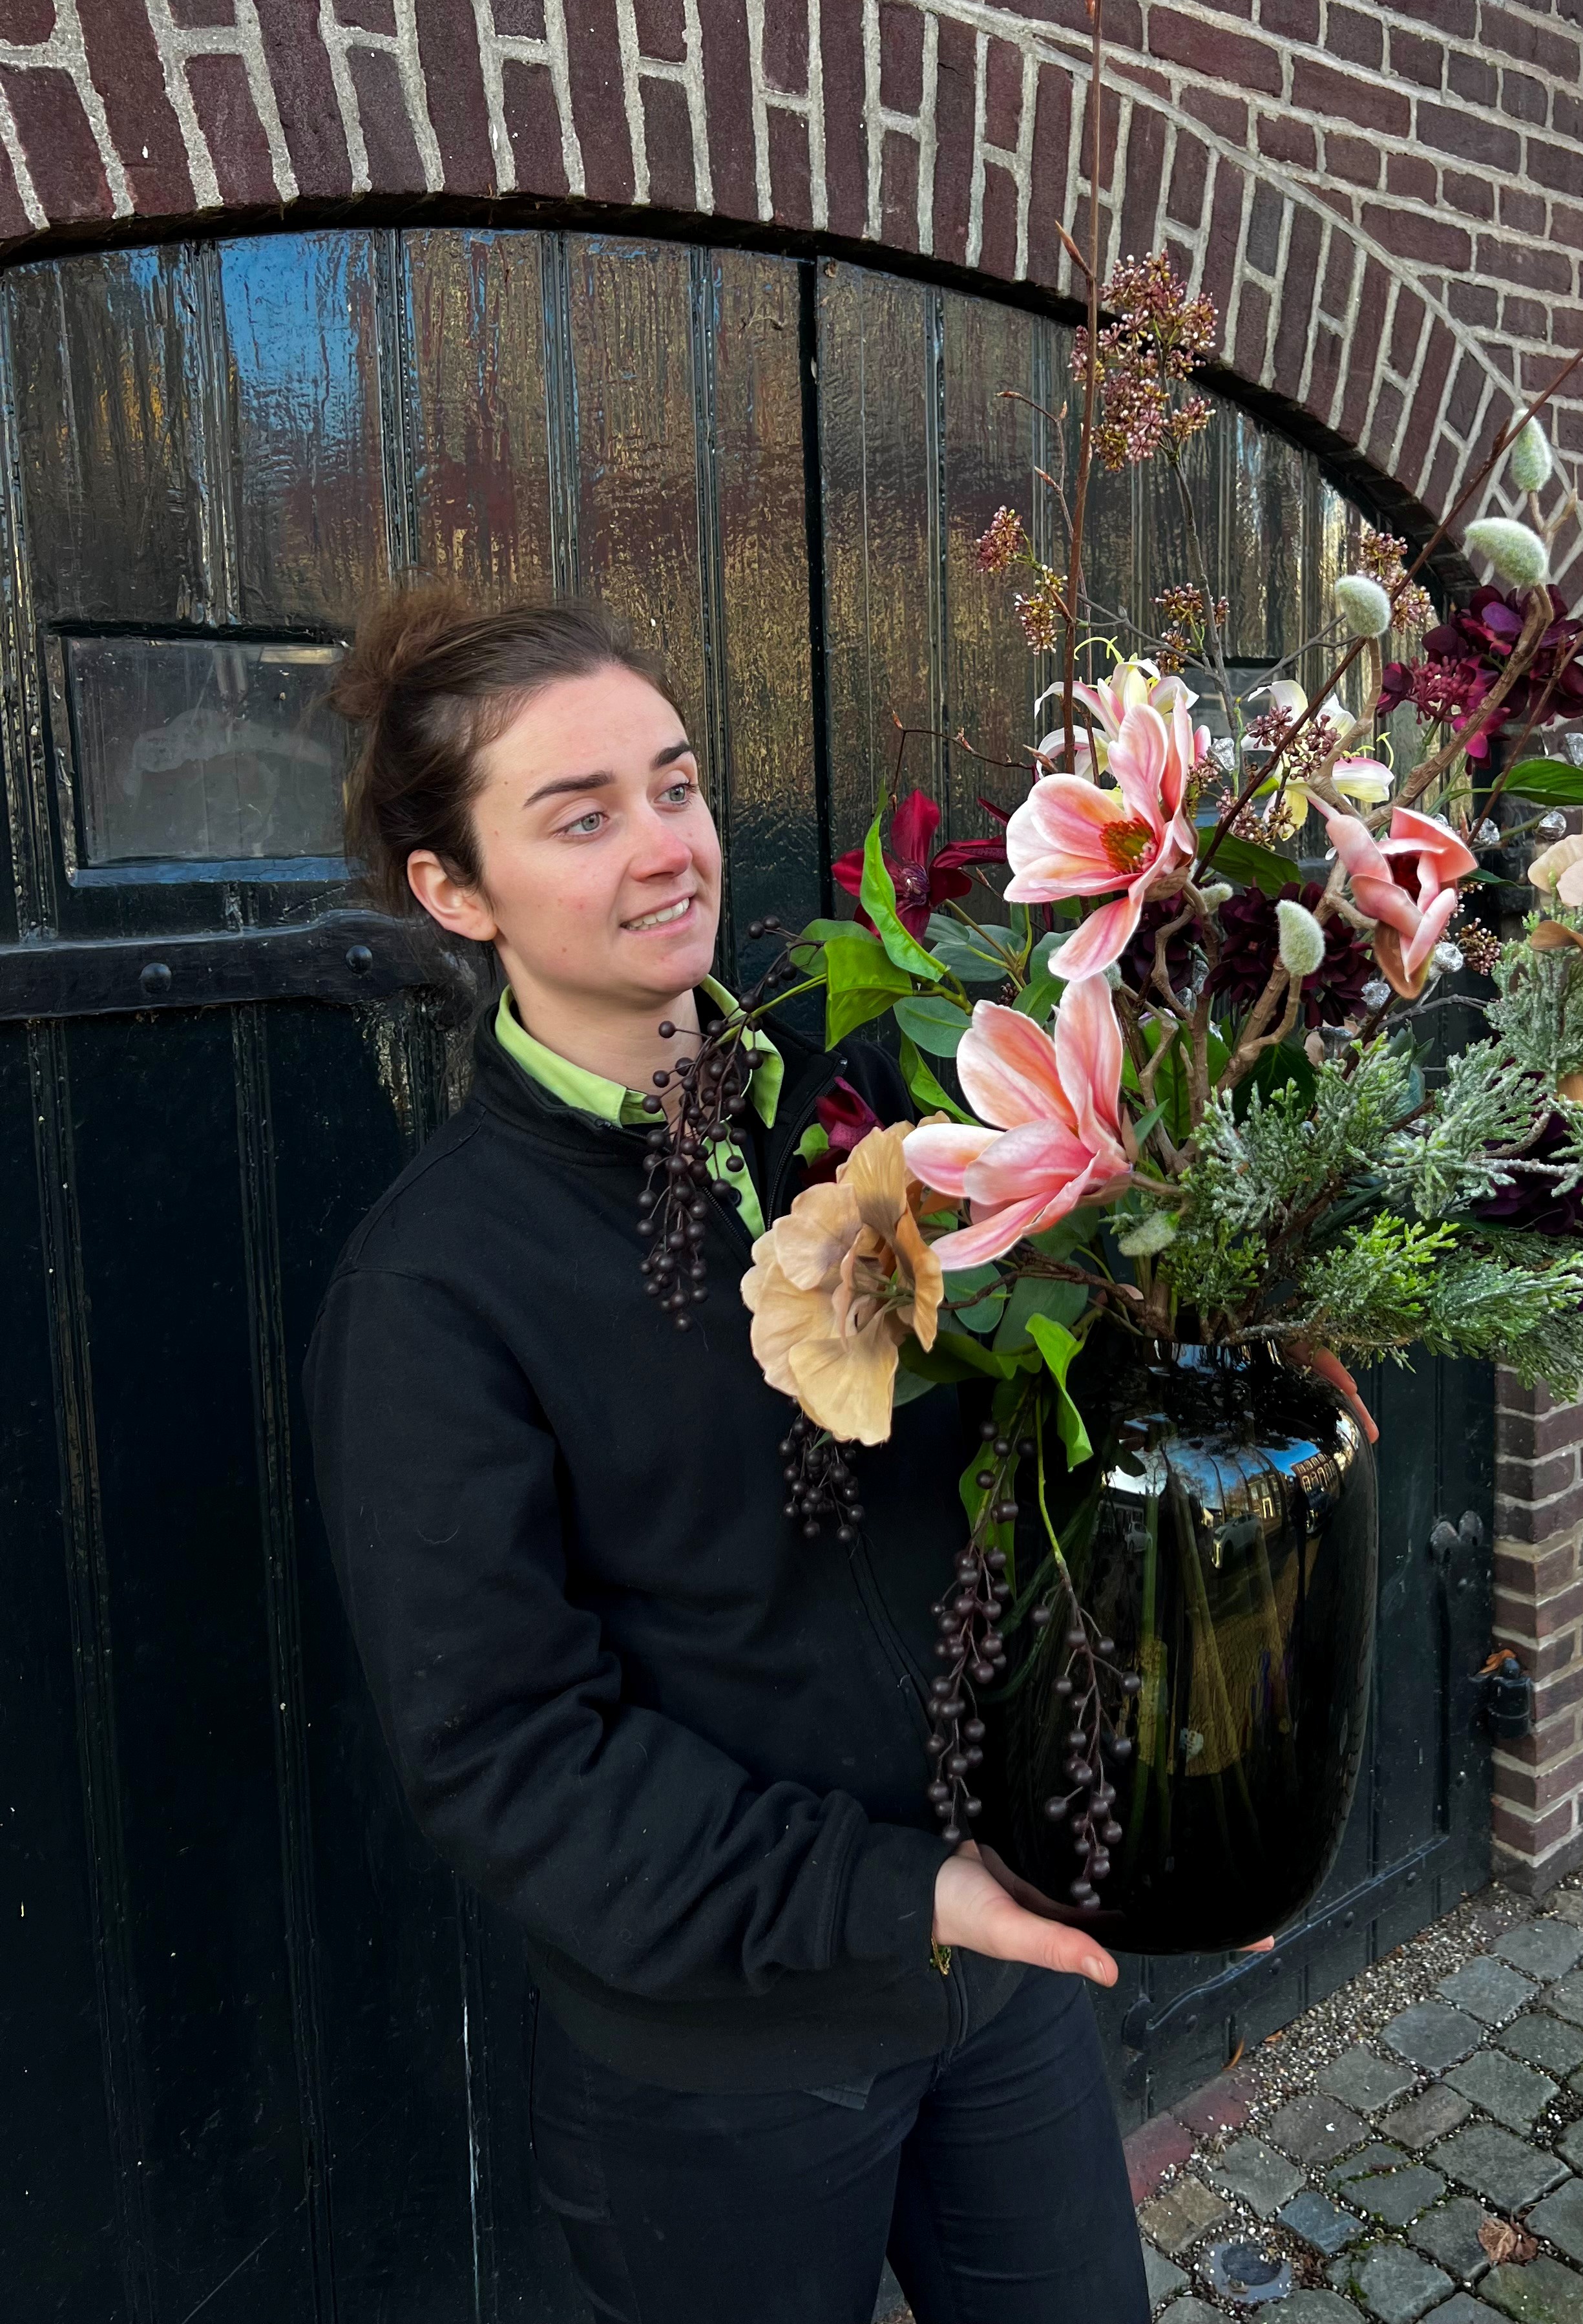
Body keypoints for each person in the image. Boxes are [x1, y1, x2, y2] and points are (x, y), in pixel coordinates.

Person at [302, 594, 1153, 2324]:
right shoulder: (438, 1291)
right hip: (720, 2072)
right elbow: (508, 1761)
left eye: (673, 786)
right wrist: (890, 1890)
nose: (663, 847)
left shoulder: (868, 1101)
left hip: (1001, 1989)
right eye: (581, 814)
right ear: (453, 895)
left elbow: (1028, 1464)